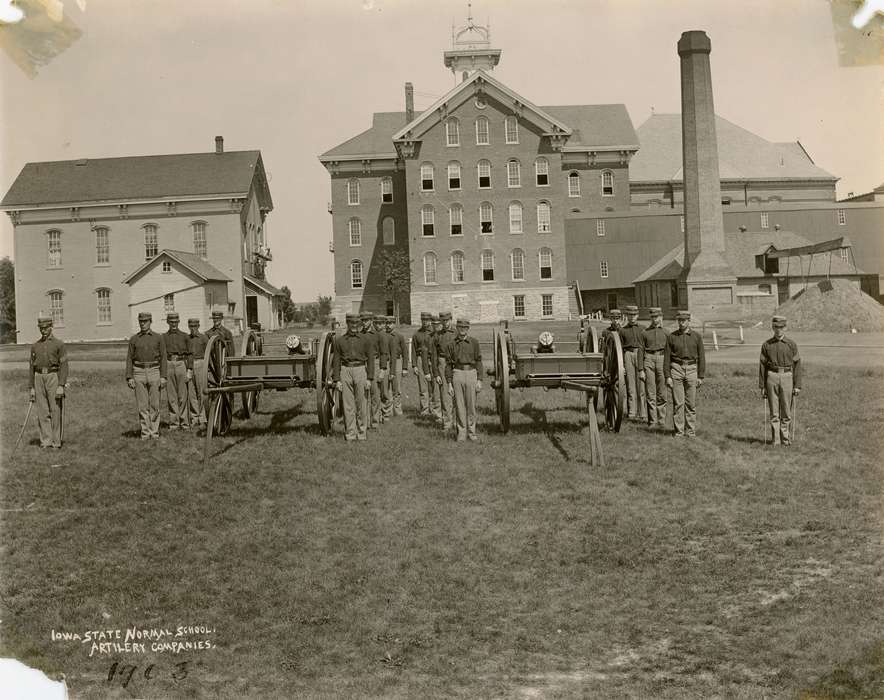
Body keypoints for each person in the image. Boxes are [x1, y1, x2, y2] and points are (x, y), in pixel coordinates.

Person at [759, 315, 802, 446]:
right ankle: (775, 441)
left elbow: (797, 365)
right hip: (771, 377)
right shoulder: (767, 345)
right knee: (774, 412)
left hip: (787, 377)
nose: (779, 330)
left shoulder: (791, 344)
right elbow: (762, 366)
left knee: (786, 411)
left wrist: (797, 385)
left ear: (786, 327)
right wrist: (762, 386)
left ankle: (785, 439)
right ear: (772, 327)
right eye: (776, 327)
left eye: (781, 327)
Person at [125, 311, 168, 440]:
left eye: (145, 321)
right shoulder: (134, 339)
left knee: (155, 404)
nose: (143, 324)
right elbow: (129, 359)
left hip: (154, 370)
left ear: (150, 322)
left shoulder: (158, 338)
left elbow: (164, 358)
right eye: (141, 322)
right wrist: (129, 377)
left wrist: (163, 376)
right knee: (142, 406)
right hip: (138, 372)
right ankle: (145, 432)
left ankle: (154, 432)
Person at [28, 313, 68, 449]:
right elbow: (31, 367)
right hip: (39, 377)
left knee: (55, 409)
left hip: (53, 377)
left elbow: (64, 366)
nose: (43, 330)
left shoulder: (59, 344)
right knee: (42, 411)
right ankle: (46, 441)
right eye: (41, 328)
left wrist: (61, 385)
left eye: (45, 327)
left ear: (51, 326)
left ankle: (56, 442)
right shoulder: (35, 346)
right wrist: (31, 387)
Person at [332, 313, 375, 440]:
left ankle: (362, 433)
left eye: (357, 323)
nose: (354, 326)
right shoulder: (340, 341)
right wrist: (337, 379)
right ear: (348, 323)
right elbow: (336, 361)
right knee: (348, 405)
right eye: (352, 323)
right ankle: (350, 433)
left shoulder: (366, 340)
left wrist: (369, 378)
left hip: (361, 370)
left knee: (362, 403)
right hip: (345, 371)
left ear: (359, 324)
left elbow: (371, 360)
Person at [664, 310, 705, 437]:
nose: (681, 323)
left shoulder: (697, 337)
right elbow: (666, 358)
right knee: (678, 403)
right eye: (679, 321)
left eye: (684, 321)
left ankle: (691, 431)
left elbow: (702, 357)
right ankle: (679, 431)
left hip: (692, 369)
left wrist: (700, 376)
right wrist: (668, 376)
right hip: (676, 369)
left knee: (691, 403)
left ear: (689, 321)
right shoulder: (672, 337)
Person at [444, 317, 483, 441]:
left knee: (471, 405)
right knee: (459, 406)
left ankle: (472, 433)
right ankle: (461, 433)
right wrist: (449, 383)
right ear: (457, 328)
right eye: (460, 327)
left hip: (471, 373)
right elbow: (448, 365)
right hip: (457, 374)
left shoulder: (474, 343)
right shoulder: (451, 345)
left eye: (465, 328)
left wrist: (479, 380)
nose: (463, 330)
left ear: (468, 329)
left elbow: (479, 362)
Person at [638, 307, 668, 429]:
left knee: (662, 392)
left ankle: (661, 421)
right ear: (650, 318)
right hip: (648, 360)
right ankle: (652, 421)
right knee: (650, 392)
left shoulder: (666, 332)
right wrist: (641, 370)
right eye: (653, 317)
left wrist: (668, 367)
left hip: (662, 359)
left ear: (661, 317)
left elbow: (669, 351)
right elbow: (640, 351)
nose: (655, 319)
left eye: (657, 317)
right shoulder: (645, 333)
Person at [162, 312, 193, 430]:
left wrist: (189, 369)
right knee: (171, 396)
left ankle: (185, 422)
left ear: (178, 322)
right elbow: (162, 355)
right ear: (168, 322)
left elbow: (190, 354)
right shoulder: (163, 337)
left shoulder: (185, 336)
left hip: (181, 364)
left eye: (175, 322)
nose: (173, 324)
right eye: (171, 322)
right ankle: (174, 423)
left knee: (182, 395)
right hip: (169, 364)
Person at [359, 311, 384, 428]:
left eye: (367, 321)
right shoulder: (359, 335)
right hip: (362, 364)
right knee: (363, 394)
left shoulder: (378, 335)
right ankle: (365, 421)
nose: (364, 323)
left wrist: (382, 370)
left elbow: (384, 353)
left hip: (375, 363)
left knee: (375, 394)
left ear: (371, 321)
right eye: (363, 321)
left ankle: (375, 421)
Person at [619, 305, 644, 421]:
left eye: (634, 315)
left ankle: (642, 413)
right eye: (630, 315)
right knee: (631, 386)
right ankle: (632, 412)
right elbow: (620, 349)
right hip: (628, 355)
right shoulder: (623, 330)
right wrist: (622, 365)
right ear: (627, 316)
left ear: (637, 316)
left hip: (640, 354)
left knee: (641, 386)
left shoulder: (643, 329)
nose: (632, 317)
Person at [433, 310, 456, 431]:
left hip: (455, 364)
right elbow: (434, 355)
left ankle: (458, 422)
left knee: (458, 393)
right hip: (442, 362)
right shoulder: (438, 335)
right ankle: (447, 423)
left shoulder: (457, 332)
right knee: (445, 394)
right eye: (443, 321)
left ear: (451, 319)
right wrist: (436, 373)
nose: (445, 323)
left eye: (447, 320)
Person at [384, 315, 409, 416]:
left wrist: (405, 368)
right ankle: (387, 410)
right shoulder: (383, 335)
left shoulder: (399, 336)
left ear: (394, 324)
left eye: (390, 323)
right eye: (387, 323)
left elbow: (405, 353)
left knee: (397, 387)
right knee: (386, 388)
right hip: (386, 362)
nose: (388, 326)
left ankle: (398, 410)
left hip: (397, 361)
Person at [411, 312, 434, 417]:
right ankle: (425, 410)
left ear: (430, 320)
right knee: (423, 386)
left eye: (427, 320)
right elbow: (414, 351)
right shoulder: (417, 334)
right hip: (420, 359)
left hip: (432, 359)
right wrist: (414, 365)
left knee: (434, 385)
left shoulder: (434, 332)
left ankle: (434, 409)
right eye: (423, 320)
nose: (425, 322)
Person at [187, 318, 209, 428]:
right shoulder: (187, 339)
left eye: (195, 326)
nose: (193, 328)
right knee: (192, 392)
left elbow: (208, 354)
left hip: (201, 364)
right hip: (190, 366)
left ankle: (203, 417)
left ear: (198, 326)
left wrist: (206, 367)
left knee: (201, 392)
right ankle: (194, 417)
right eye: (191, 326)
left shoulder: (204, 338)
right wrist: (188, 368)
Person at [428, 314, 443, 422]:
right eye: (433, 324)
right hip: (434, 365)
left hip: (444, 364)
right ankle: (438, 414)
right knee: (436, 391)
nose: (435, 326)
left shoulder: (444, 335)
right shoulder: (430, 337)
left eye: (437, 324)